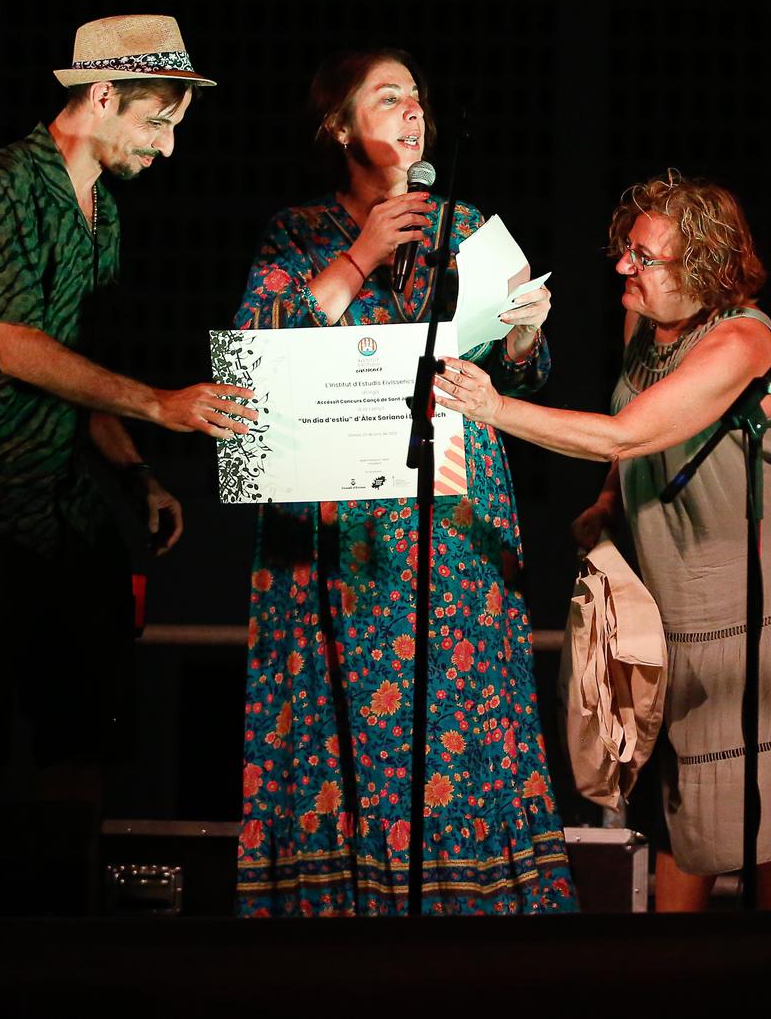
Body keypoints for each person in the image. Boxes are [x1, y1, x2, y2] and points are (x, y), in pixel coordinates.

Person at [436, 170, 771, 912]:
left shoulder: (742, 343)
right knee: (681, 809)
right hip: (677, 600)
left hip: (760, 610)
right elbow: (631, 436)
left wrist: (493, 406)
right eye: (624, 250)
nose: (621, 267)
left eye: (642, 257)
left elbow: (627, 428)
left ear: (700, 265)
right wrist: (611, 497)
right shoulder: (643, 322)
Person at [232, 47, 575, 916]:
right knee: (348, 717)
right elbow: (257, 356)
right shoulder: (298, 232)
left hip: (452, 518)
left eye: (418, 97)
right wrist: (359, 255)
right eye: (388, 98)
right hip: (344, 526)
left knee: (457, 715)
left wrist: (526, 332)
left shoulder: (465, 229)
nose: (412, 111)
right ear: (339, 127)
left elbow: (521, 376)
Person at [0, 14, 255, 802]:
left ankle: (71, 920)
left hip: (63, 513)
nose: (167, 147)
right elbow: (18, 348)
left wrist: (138, 478)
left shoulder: (105, 218)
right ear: (100, 96)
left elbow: (77, 372)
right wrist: (162, 404)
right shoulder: (5, 184)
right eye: (156, 122)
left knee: (86, 736)